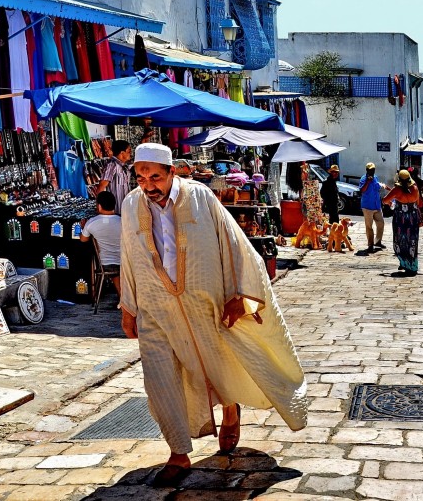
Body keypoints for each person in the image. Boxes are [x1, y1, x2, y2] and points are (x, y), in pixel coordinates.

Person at [119, 143, 307, 487]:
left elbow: (233, 243)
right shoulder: (131, 204)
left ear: (172, 172)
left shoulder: (200, 196)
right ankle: (178, 453)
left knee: (218, 363)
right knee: (160, 380)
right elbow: (128, 255)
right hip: (155, 310)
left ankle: (230, 408)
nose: (148, 184)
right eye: (141, 176)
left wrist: (238, 293)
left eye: (155, 176)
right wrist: (128, 307)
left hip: (204, 303)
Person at [81, 191, 122, 299]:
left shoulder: (91, 222)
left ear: (99, 206)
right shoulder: (123, 221)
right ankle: (124, 298)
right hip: (126, 262)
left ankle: (123, 298)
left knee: (115, 272)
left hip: (106, 263)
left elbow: (83, 239)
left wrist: (84, 227)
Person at [382, 170, 423, 273]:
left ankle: (404, 263)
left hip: (400, 217)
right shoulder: (415, 188)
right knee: (412, 240)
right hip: (413, 217)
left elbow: (385, 200)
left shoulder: (397, 190)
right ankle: (412, 265)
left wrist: (391, 203)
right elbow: (418, 203)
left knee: (400, 239)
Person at [97, 140, 131, 214]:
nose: (130, 154)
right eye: (128, 151)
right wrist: (100, 209)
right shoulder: (112, 165)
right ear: (122, 153)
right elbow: (101, 187)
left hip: (125, 209)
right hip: (116, 210)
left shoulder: (124, 166)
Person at [359, 162, 385, 250]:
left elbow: (377, 188)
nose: (372, 171)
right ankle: (370, 244)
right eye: (370, 170)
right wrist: (367, 182)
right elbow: (362, 190)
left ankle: (378, 241)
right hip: (367, 206)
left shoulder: (376, 177)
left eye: (373, 170)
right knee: (369, 226)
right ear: (367, 170)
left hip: (377, 205)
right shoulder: (363, 178)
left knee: (381, 223)